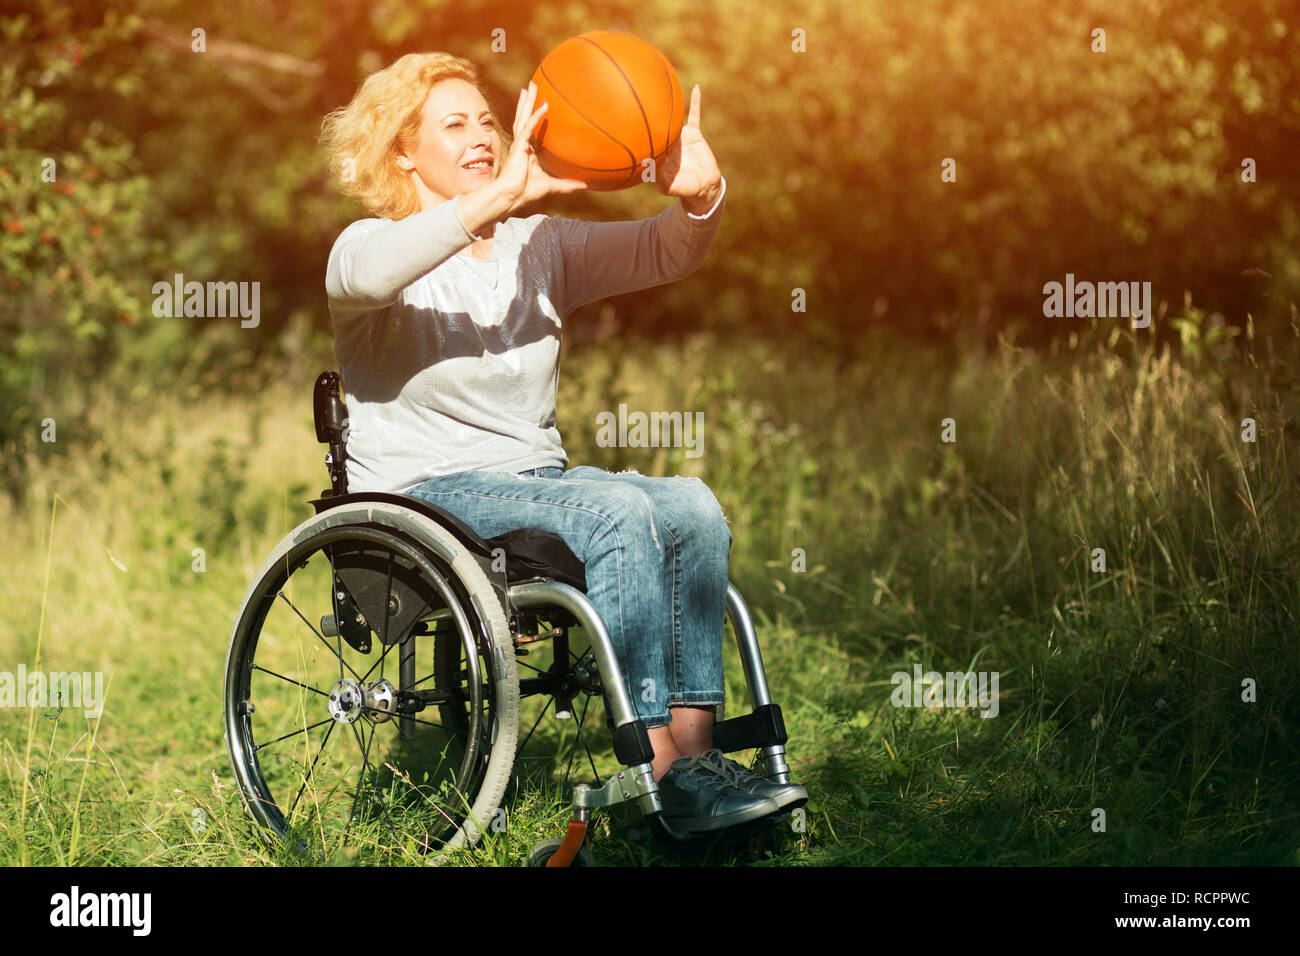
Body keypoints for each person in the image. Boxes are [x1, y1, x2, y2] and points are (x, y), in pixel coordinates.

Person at [320, 52, 804, 833]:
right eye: (455, 124)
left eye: (487, 119)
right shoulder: (367, 247)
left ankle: (697, 763)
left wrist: (701, 196)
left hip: (533, 481)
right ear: (402, 151)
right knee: (614, 512)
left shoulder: (536, 245)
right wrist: (492, 202)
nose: (481, 135)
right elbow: (369, 279)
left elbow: (666, 249)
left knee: (693, 506)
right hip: (425, 491)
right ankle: (660, 772)